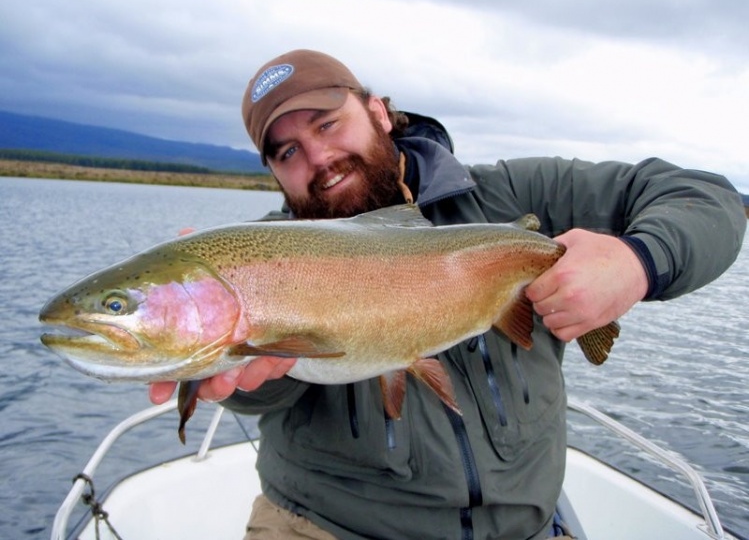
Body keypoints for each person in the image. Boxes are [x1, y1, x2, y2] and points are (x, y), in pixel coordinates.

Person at [149, 49, 746, 539]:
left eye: (327, 125)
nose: (320, 158)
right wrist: (241, 366)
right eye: (287, 152)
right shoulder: (263, 264)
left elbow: (704, 196)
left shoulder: (512, 198)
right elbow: (256, 395)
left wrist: (638, 262)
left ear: (380, 112)